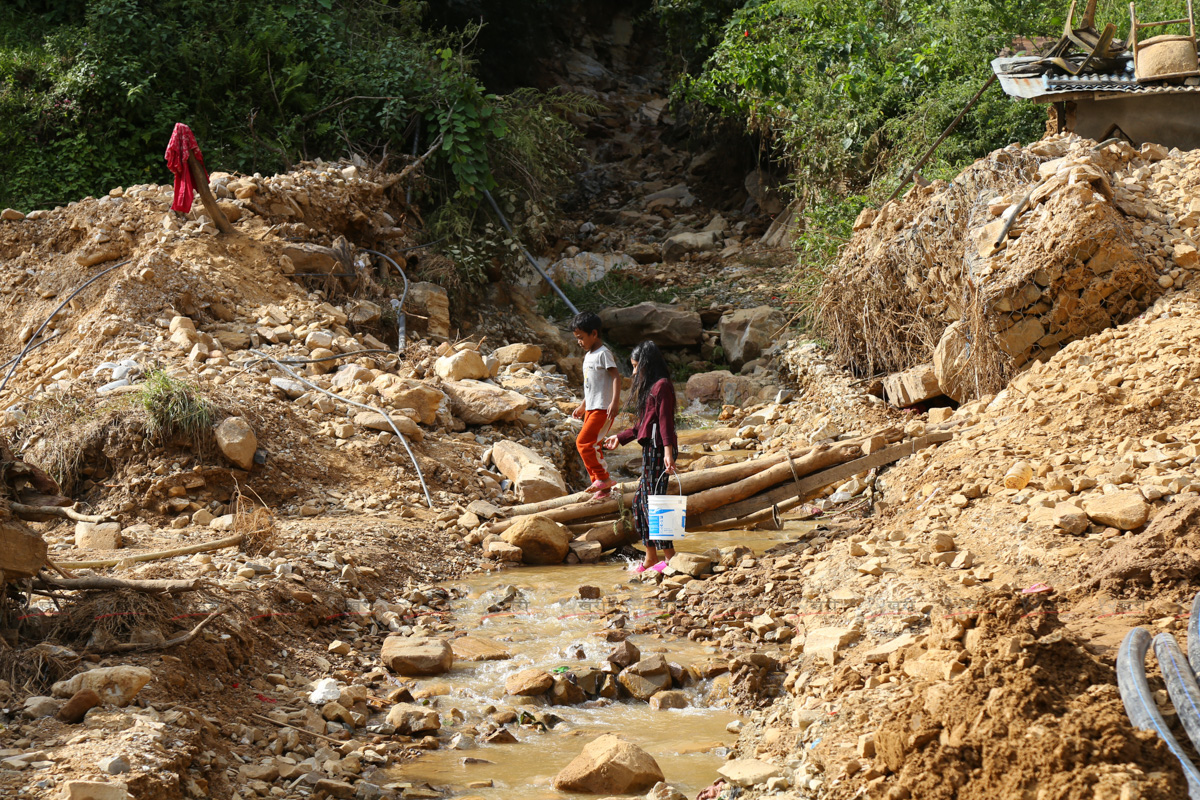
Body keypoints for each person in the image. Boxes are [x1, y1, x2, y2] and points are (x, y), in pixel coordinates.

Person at [603, 340, 678, 573]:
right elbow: (642, 425)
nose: (634, 372)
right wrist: (621, 437)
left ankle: (671, 556)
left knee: (656, 503)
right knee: (639, 502)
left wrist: (668, 453)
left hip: (660, 450)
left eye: (637, 366)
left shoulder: (662, 386)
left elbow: (666, 422)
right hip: (651, 450)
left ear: (648, 364)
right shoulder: (651, 387)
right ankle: (651, 556)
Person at [571, 311, 622, 500]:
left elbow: (616, 376)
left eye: (581, 338)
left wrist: (614, 402)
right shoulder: (588, 355)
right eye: (577, 338)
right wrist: (583, 405)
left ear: (594, 333)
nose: (579, 342)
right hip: (591, 407)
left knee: (583, 443)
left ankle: (602, 478)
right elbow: (591, 385)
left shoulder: (603, 353)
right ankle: (602, 487)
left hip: (602, 408)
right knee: (594, 445)